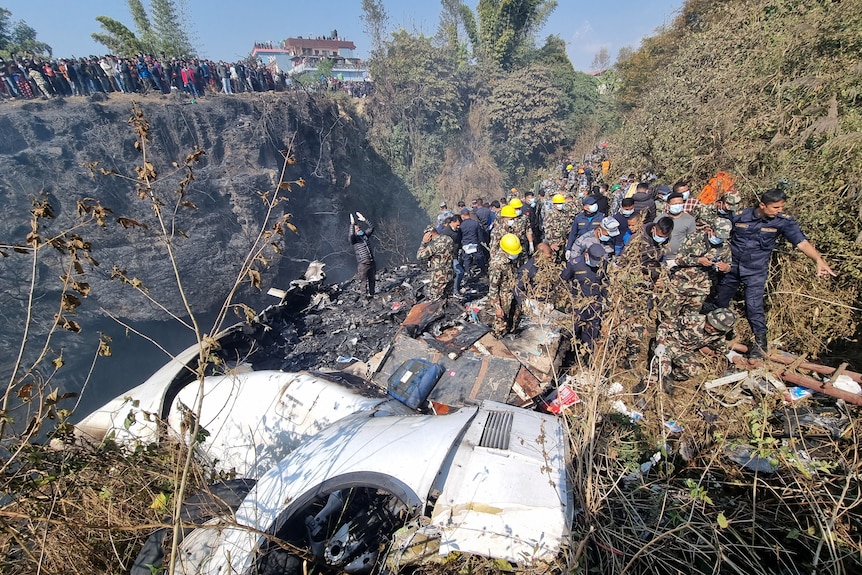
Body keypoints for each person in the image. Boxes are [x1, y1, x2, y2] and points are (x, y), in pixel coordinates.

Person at [713, 188, 836, 357]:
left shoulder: (782, 221)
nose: (780, 211)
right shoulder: (740, 215)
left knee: (753, 306)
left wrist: (818, 260)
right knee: (720, 300)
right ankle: (721, 334)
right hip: (731, 268)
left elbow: (801, 242)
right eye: (775, 207)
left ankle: (760, 344)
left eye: (781, 207)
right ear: (763, 205)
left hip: (755, 271)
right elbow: (720, 232)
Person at [654, 308, 736, 395]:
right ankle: (653, 380)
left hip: (685, 351)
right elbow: (664, 325)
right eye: (710, 323)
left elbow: (720, 343)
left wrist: (728, 353)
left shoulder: (719, 334)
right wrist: (660, 344)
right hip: (668, 344)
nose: (711, 328)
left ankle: (669, 377)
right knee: (662, 370)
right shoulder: (694, 320)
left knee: (693, 371)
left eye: (716, 328)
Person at [488, 234, 525, 337]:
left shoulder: (511, 259)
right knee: (501, 323)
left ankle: (511, 334)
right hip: (503, 297)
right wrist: (497, 307)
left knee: (514, 319)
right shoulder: (497, 264)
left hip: (513, 292)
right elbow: (493, 288)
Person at [417, 225, 455, 301]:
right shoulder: (448, 239)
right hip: (450, 273)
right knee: (448, 299)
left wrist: (423, 243)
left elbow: (419, 256)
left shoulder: (434, 245)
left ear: (429, 235)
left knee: (434, 300)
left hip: (438, 277)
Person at [663, 192, 697, 268]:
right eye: (675, 204)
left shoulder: (689, 220)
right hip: (662, 258)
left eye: (680, 203)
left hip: (679, 259)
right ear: (668, 205)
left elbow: (692, 240)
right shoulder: (660, 219)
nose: (677, 206)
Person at [349, 212, 376, 300]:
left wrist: (365, 220)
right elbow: (350, 236)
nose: (359, 229)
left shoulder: (365, 236)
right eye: (357, 229)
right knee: (363, 282)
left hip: (371, 262)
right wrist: (352, 224)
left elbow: (372, 227)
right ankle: (364, 299)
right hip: (363, 264)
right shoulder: (355, 240)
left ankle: (372, 295)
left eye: (359, 228)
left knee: (372, 280)